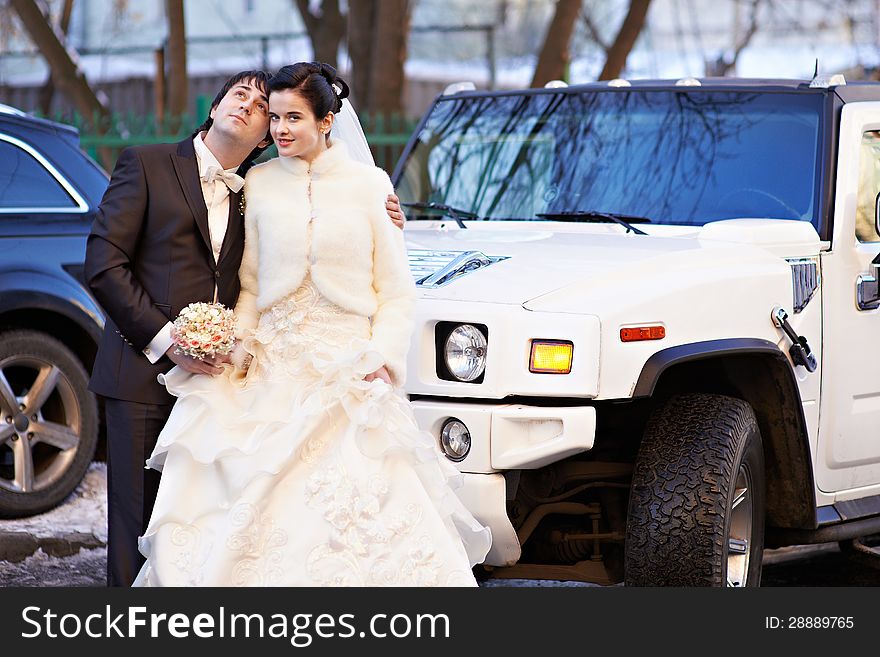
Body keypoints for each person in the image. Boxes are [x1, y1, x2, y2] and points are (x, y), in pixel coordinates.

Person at [132, 62, 491, 587]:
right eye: (274, 117)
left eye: (293, 117)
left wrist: (380, 360)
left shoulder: (371, 186)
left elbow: (395, 292)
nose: (278, 129)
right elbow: (250, 284)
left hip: (350, 370)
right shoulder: (258, 182)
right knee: (254, 498)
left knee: (363, 511)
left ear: (326, 121)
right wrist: (238, 350)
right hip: (273, 367)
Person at [85, 69, 406, 587]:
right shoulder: (146, 164)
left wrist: (386, 215)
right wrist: (169, 343)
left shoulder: (255, 190)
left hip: (222, 380)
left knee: (218, 526)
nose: (252, 108)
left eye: (267, 109)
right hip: (143, 373)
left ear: (266, 137)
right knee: (139, 524)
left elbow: (302, 241)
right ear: (214, 108)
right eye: (241, 96)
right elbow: (104, 265)